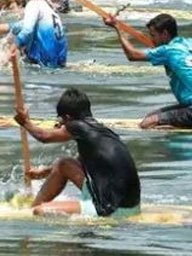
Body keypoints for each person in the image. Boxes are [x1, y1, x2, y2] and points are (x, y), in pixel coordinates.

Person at [13, 88, 140, 217]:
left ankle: (34, 210)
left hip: (113, 209)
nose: (60, 124)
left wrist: (25, 122)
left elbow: (44, 137)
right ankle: (33, 206)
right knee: (64, 164)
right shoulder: (101, 132)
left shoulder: (76, 126)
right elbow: (81, 163)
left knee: (40, 211)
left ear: (68, 118)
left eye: (61, 120)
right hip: (129, 204)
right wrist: (44, 172)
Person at [106, 12, 192, 129]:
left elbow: (132, 55)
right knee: (152, 115)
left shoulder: (168, 51)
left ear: (165, 34)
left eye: (153, 36)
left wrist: (117, 28)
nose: (152, 40)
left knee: (147, 124)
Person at [0, 0, 68, 68]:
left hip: (44, 60)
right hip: (60, 60)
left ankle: (2, 61)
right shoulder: (46, 9)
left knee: (18, 40)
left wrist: (12, 50)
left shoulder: (34, 3)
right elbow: (17, 27)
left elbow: (27, 31)